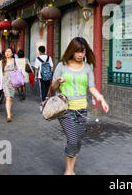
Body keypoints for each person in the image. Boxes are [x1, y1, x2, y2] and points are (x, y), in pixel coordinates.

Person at [48, 37, 109, 175]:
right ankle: (68, 171)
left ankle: (70, 169)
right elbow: (53, 87)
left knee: (78, 142)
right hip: (65, 109)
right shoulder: (62, 65)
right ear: (72, 51)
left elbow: (91, 87)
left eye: (83, 51)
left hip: (81, 109)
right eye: (78, 52)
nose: (81, 55)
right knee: (72, 139)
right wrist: (58, 81)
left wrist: (101, 99)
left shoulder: (87, 67)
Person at [0, 47, 19, 122]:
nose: (7, 53)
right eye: (6, 51)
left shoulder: (15, 61)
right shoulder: (2, 61)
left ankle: (9, 111)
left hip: (13, 81)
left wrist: (16, 70)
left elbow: (19, 70)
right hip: (5, 81)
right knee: (8, 97)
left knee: (11, 98)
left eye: (9, 51)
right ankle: (8, 115)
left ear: (12, 53)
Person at [34, 45, 54, 112]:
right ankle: (48, 103)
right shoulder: (49, 57)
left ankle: (43, 104)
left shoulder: (38, 58)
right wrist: (50, 74)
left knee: (42, 91)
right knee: (48, 89)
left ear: (39, 51)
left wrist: (35, 76)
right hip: (48, 77)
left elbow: (36, 68)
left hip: (41, 76)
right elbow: (52, 67)